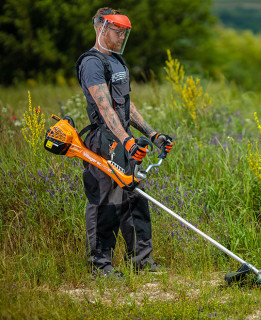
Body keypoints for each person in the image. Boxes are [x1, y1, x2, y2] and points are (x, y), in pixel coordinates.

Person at [75, 7, 173, 277]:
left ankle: (141, 260)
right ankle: (100, 265)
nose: (122, 38)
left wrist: (153, 135)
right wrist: (127, 141)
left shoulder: (117, 62)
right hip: (104, 141)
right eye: (118, 32)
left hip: (125, 140)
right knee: (105, 201)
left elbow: (125, 106)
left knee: (134, 200)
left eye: (124, 33)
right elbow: (105, 109)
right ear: (102, 28)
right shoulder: (92, 63)